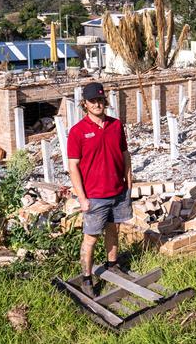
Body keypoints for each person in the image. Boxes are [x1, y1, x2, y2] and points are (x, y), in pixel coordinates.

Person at [67, 82, 133, 297]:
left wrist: (129, 180)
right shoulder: (77, 132)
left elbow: (124, 153)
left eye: (100, 100)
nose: (97, 104)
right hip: (95, 196)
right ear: (84, 104)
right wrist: (82, 198)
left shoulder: (116, 125)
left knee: (114, 230)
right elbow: (73, 166)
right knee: (91, 237)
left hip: (118, 191)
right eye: (93, 101)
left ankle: (112, 265)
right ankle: (87, 278)